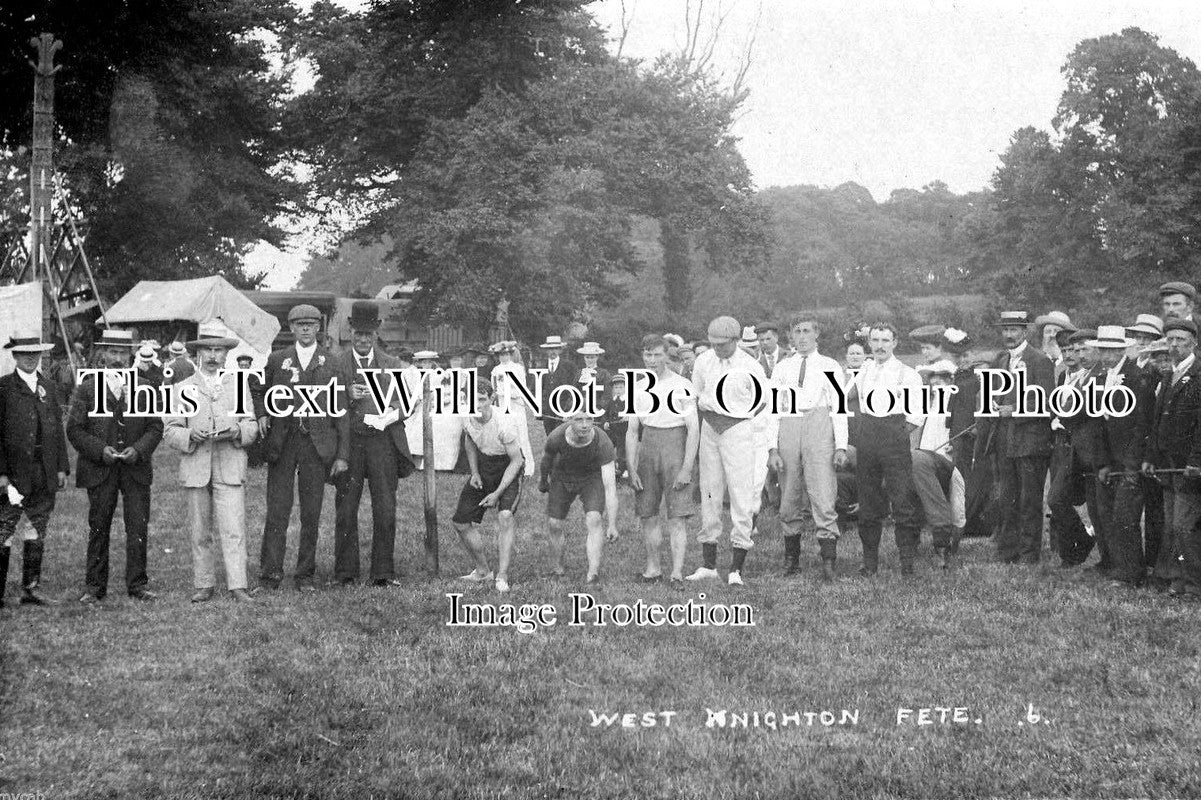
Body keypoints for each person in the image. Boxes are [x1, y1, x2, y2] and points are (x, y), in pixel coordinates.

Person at [253, 304, 349, 591]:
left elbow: (341, 411)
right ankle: (270, 574)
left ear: (318, 328)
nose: (305, 329)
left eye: (310, 324)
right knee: (278, 510)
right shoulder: (277, 359)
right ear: (291, 328)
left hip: (316, 446)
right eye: (299, 324)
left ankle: (305, 575)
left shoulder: (332, 362)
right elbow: (257, 387)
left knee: (311, 512)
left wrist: (342, 454)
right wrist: (261, 413)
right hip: (283, 442)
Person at [163, 322, 259, 603]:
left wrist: (237, 432)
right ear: (198, 354)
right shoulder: (183, 387)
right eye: (208, 350)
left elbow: (251, 425)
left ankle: (237, 585)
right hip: (196, 464)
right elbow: (170, 430)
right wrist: (190, 434)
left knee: (233, 527)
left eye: (219, 350)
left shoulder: (238, 385)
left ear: (227, 355)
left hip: (229, 463)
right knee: (199, 529)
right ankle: (203, 583)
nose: (214, 355)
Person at [67, 328, 163, 603]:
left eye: (122, 352)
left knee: (137, 527)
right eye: (112, 351)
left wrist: (139, 449)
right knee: (98, 526)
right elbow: (74, 429)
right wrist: (100, 450)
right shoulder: (86, 388)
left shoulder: (146, 387)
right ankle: (95, 586)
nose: (117, 357)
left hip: (135, 469)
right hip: (100, 469)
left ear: (130, 354)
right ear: (103, 354)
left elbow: (155, 427)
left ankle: (138, 585)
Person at [333, 301, 416, 588]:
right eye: (358, 333)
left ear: (376, 333)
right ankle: (345, 572)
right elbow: (325, 403)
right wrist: (347, 395)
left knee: (385, 507)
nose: (363, 339)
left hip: (382, 442)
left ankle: (383, 571)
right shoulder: (337, 363)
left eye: (368, 334)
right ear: (351, 331)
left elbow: (407, 404)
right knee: (346, 508)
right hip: (350, 442)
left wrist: (387, 417)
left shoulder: (392, 364)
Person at [766, 316, 848, 581]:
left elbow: (839, 408)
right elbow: (772, 409)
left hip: (819, 424)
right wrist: (772, 448)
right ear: (791, 336)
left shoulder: (829, 365)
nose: (801, 337)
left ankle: (828, 560)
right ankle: (792, 559)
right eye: (797, 331)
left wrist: (841, 445)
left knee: (823, 491)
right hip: (789, 424)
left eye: (806, 331)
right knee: (789, 493)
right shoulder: (782, 368)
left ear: (816, 335)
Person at [687, 316, 768, 585]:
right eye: (713, 344)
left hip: (737, 428)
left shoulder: (750, 365)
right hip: (710, 427)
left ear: (735, 341)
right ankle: (708, 564)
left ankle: (736, 568)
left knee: (741, 493)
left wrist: (735, 417)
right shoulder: (703, 360)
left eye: (723, 344)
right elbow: (697, 393)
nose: (717, 348)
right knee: (709, 491)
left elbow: (761, 401)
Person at [975, 311, 1054, 565]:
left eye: (1014, 329)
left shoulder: (1040, 360)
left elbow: (1046, 401)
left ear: (1025, 331)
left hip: (1030, 439)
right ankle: (1008, 550)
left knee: (1029, 499)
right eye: (1005, 329)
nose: (1009, 334)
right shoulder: (1000, 359)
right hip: (1003, 439)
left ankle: (1029, 553)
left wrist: (1014, 409)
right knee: (1006, 497)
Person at [847, 323, 924, 576]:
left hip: (894, 436)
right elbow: (848, 397)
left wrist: (896, 437)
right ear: (869, 343)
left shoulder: (908, 374)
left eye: (885, 340)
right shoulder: (865, 370)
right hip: (867, 436)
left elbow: (916, 416)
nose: (880, 345)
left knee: (902, 500)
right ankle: (870, 564)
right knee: (868, 501)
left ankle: (907, 563)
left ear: (895, 343)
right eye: (875, 340)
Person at [0, 331, 69, 607]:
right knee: (4, 530)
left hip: (44, 471)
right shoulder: (4, 388)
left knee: (37, 527)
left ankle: (31, 589)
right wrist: (1, 473)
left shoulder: (48, 387)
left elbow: (57, 431)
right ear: (15, 356)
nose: (30, 358)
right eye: (25, 353)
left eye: (35, 353)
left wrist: (62, 467)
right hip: (14, 473)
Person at [626, 335, 699, 583]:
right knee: (647, 513)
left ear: (667, 356)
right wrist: (631, 466)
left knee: (677, 515)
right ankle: (653, 568)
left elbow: (694, 429)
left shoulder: (682, 385)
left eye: (657, 355)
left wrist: (687, 467)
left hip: (675, 446)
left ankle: (677, 572)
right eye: (648, 355)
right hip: (648, 447)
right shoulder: (637, 387)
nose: (652, 360)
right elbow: (632, 430)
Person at [1141, 318, 1201, 597]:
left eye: (1181, 340)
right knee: (1172, 525)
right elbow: (1157, 422)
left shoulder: (1198, 374)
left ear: (1194, 344)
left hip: (1189, 467)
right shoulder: (1168, 375)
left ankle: (1194, 584)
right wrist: (1152, 456)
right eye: (1171, 340)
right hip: (1167, 464)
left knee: (1184, 526)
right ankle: (1179, 579)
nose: (1175, 345)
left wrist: (1197, 460)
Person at [1089, 326, 1152, 588]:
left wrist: (1131, 463)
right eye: (1103, 349)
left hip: (1130, 459)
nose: (1106, 355)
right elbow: (1098, 424)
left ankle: (1132, 572)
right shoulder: (1101, 378)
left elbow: (1142, 425)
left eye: (1112, 349)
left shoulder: (1137, 377)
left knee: (1126, 517)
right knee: (1108, 515)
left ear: (1123, 349)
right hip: (1109, 459)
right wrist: (1101, 462)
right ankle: (1118, 567)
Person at [454, 379, 525, 592]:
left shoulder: (504, 423)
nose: (477, 404)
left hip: (508, 465)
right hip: (484, 465)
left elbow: (517, 461)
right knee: (461, 522)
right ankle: (483, 571)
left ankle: (502, 576)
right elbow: (469, 440)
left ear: (492, 399)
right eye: (471, 399)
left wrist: (496, 493)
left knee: (505, 516)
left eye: (482, 399)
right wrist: (474, 472)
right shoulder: (466, 416)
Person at [539, 409, 619, 584]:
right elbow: (546, 460)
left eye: (589, 419)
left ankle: (593, 573)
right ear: (568, 420)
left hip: (591, 478)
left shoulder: (602, 441)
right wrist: (543, 480)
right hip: (563, 476)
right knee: (554, 523)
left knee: (594, 518)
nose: (584, 424)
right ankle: (557, 569)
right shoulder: (556, 437)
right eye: (579, 419)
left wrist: (612, 524)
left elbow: (610, 486)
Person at [490, 341, 536, 476]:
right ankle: (510, 465)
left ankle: (528, 466)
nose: (504, 357)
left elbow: (522, 389)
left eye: (506, 354)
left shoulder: (517, 368)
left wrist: (510, 394)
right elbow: (495, 389)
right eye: (501, 355)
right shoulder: (496, 370)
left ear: (510, 354)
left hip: (516, 405)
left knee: (521, 435)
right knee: (505, 435)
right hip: (502, 406)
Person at [538, 335, 580, 436]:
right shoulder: (541, 367)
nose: (553, 351)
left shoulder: (569, 367)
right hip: (547, 410)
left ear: (560, 350)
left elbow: (575, 389)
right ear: (546, 351)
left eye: (555, 348)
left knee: (563, 437)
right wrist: (540, 408)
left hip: (564, 409)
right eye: (550, 349)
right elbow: (536, 389)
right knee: (550, 436)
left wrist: (569, 410)